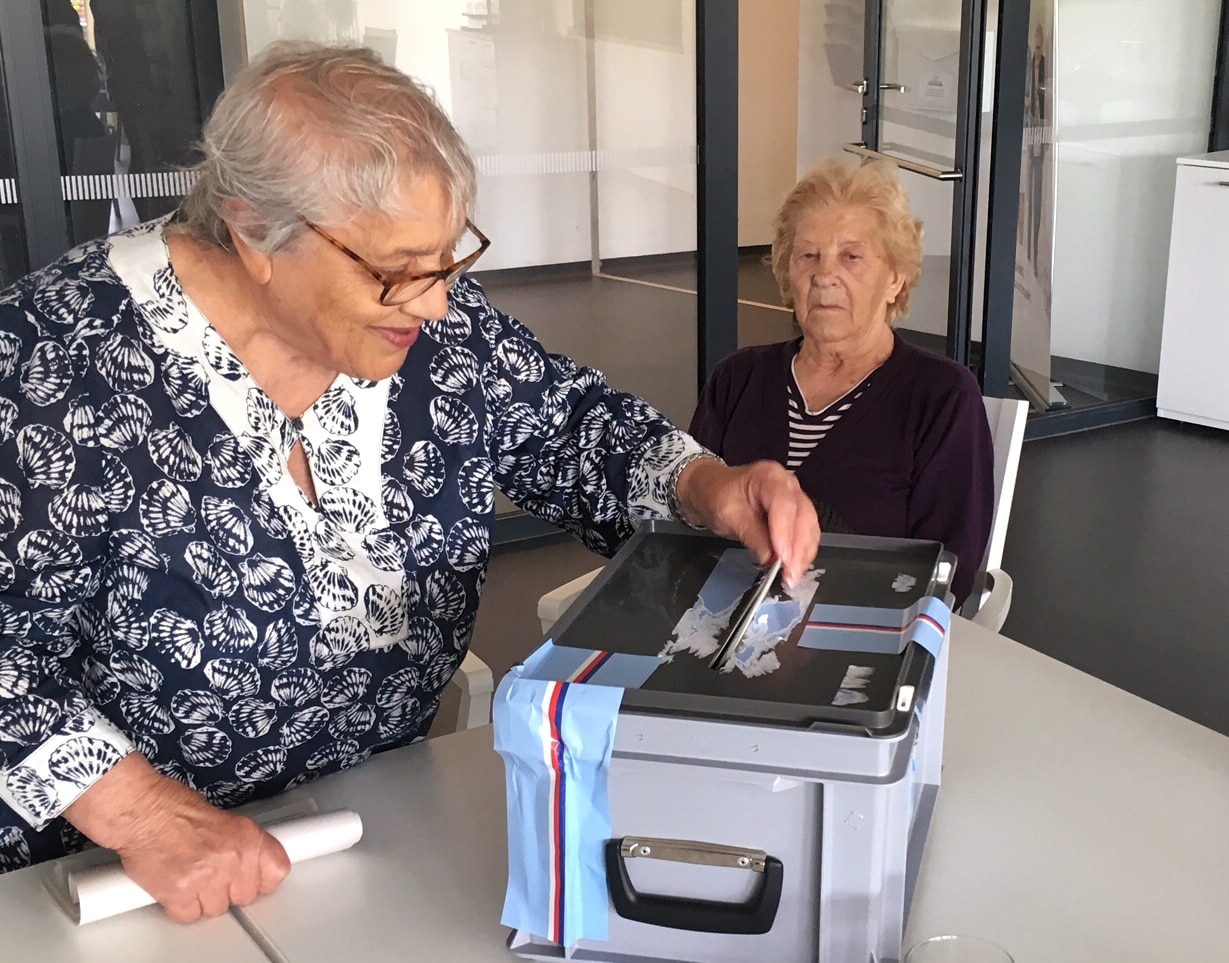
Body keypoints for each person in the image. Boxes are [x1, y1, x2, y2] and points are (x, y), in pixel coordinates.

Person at [0, 43, 818, 918]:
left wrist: (705, 483)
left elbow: (571, 427)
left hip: (368, 834)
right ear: (252, 232)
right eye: (396, 270)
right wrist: (146, 816)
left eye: (447, 258)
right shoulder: (48, 364)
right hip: (103, 887)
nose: (433, 303)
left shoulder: (439, 331)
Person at [689, 157, 993, 604]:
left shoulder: (941, 397)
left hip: (860, 640)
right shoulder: (736, 378)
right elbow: (686, 520)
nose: (824, 275)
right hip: (716, 629)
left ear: (894, 279)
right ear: (788, 274)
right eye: (808, 256)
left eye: (851, 257)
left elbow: (948, 574)